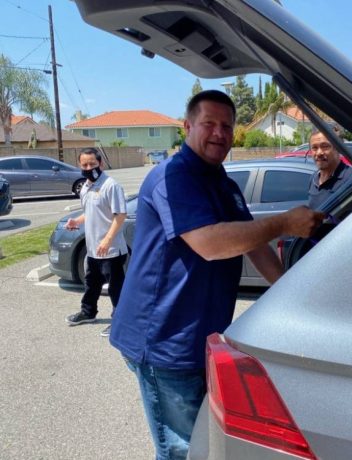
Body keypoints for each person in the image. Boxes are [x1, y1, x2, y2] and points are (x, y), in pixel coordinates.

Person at [110, 90, 325, 459]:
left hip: (199, 337)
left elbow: (254, 245)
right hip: (164, 342)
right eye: (209, 123)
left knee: (203, 440)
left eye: (227, 126)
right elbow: (210, 244)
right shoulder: (174, 178)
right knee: (180, 448)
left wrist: (291, 295)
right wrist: (285, 222)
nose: (219, 133)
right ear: (187, 126)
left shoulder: (222, 183)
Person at [65, 147, 128, 337]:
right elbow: (91, 212)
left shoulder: (111, 185)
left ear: (100, 163)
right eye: (84, 164)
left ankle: (120, 322)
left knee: (116, 289)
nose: (88, 167)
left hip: (111, 250)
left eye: (92, 164)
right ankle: (88, 312)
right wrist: (76, 221)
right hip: (93, 249)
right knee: (91, 284)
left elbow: (120, 215)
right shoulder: (85, 186)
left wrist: (108, 240)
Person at [307, 127, 352, 209]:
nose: (319, 153)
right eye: (314, 148)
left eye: (325, 146)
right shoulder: (313, 178)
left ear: (339, 148)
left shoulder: (351, 180)